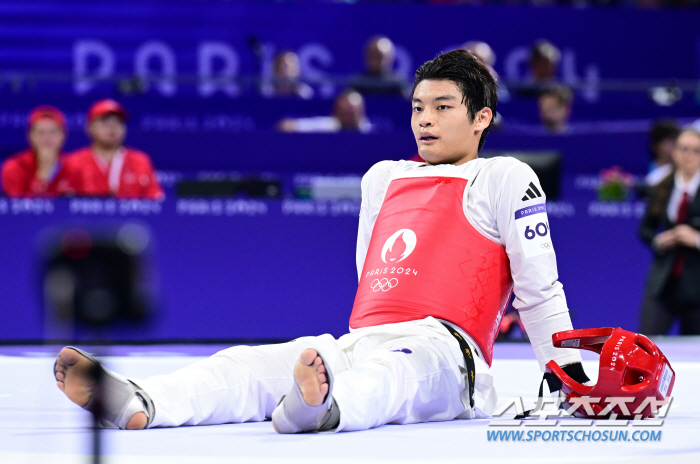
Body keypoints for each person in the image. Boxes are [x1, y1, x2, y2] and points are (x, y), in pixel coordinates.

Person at [54, 49, 588, 433]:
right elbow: (371, 274)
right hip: (362, 338)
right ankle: (141, 399)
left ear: (481, 118)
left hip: (449, 352)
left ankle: (323, 407)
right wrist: (357, 343)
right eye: (417, 107)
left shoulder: (504, 178)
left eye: (442, 107)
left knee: (396, 376)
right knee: (247, 364)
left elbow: (540, 290)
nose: (424, 119)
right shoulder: (382, 177)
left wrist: (569, 380)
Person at [639, 128, 700, 335]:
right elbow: (645, 228)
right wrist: (659, 240)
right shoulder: (662, 185)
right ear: (674, 152)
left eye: (695, 150)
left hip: (697, 286)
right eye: (683, 149)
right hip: (663, 282)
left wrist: (696, 240)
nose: (688, 156)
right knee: (647, 345)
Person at [63, 99, 164, 200]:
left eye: (118, 122)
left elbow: (156, 201)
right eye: (105, 122)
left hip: (131, 215)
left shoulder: (140, 161)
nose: (112, 127)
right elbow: (61, 204)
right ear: (89, 127)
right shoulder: (72, 162)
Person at [1, 105, 72, 197]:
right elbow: (15, 208)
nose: (47, 138)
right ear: (30, 135)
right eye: (41, 132)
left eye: (53, 132)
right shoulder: (15, 167)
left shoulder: (74, 167)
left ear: (63, 135)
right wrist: (43, 176)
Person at [277, 90, 371, 133]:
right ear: (336, 112)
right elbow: (287, 125)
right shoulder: (329, 125)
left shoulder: (369, 131)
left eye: (352, 112)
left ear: (361, 112)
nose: (348, 116)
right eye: (344, 111)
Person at [645, 120, 680, 187]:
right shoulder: (650, 172)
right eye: (670, 141)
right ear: (657, 145)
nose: (675, 145)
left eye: (676, 140)